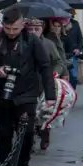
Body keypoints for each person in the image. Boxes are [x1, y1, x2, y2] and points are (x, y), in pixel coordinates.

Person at [0, 7, 55, 166]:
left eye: (15, 29)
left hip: (26, 93)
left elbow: (45, 66)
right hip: (2, 94)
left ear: (23, 26)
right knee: (4, 135)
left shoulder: (33, 41)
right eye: (7, 29)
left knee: (27, 134)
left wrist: (50, 95)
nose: (11, 33)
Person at [29, 18, 68, 152]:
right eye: (30, 29)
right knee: (29, 114)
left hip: (45, 84)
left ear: (42, 29)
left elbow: (59, 62)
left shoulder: (48, 44)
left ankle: (44, 135)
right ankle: (30, 141)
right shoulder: (23, 43)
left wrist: (55, 73)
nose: (33, 32)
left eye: (36, 29)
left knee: (44, 113)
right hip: (28, 84)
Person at [62, 8, 83, 88]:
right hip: (62, 53)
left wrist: (78, 48)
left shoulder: (75, 24)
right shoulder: (60, 24)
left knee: (74, 76)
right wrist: (65, 29)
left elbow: (80, 38)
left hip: (73, 54)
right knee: (64, 76)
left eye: (72, 14)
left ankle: (72, 93)